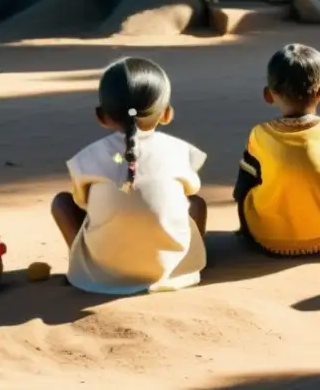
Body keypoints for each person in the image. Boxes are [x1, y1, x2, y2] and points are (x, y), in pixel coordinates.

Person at [51, 57, 208, 295]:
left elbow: (81, 203)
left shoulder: (87, 157)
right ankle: (186, 260)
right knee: (197, 204)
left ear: (102, 116)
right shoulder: (180, 151)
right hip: (167, 271)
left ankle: (86, 266)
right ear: (166, 114)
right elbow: (191, 193)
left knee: (62, 203)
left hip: (103, 275)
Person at [234, 44, 320, 256]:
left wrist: (246, 228)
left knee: (248, 182)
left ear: (268, 95)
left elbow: (242, 188)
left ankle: (249, 230)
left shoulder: (259, 134)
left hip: (267, 238)